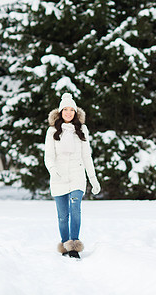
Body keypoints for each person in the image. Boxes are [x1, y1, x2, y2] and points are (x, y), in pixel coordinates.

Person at [44, 93, 101, 259]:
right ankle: (65, 244)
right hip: (59, 176)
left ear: (75, 112)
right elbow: (48, 156)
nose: (68, 113)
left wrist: (93, 178)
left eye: (71, 110)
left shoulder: (81, 130)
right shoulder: (52, 131)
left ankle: (74, 245)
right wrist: (53, 169)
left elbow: (86, 156)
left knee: (75, 209)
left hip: (77, 175)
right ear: (60, 112)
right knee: (63, 217)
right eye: (65, 109)